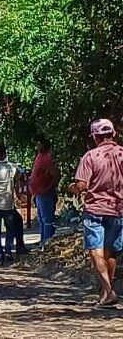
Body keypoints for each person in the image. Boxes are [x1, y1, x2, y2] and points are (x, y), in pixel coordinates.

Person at [69, 119, 123, 307]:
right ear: (113, 134)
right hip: (118, 210)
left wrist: (73, 188)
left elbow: (82, 185)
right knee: (111, 252)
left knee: (95, 250)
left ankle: (108, 291)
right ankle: (107, 291)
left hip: (95, 209)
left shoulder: (91, 156)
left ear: (95, 137)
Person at [30, 137, 60, 246]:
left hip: (45, 193)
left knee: (47, 220)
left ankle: (48, 242)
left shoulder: (47, 158)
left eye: (40, 145)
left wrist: (49, 187)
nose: (38, 147)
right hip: (38, 193)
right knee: (41, 220)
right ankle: (43, 240)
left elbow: (55, 174)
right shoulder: (39, 156)